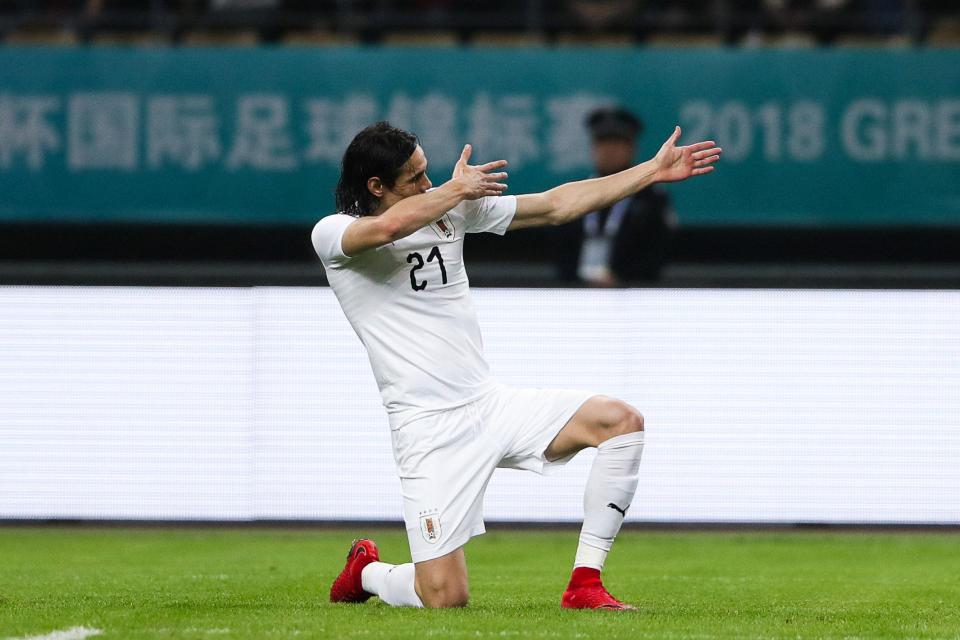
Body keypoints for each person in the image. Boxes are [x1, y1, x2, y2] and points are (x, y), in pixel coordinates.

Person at [313, 121, 720, 610]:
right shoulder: (334, 234)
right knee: (444, 598)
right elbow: (388, 228)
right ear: (376, 187)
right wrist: (454, 191)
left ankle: (585, 585)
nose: (428, 184)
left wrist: (649, 172)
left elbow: (556, 205)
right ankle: (369, 572)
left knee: (620, 422)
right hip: (426, 429)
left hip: (489, 405)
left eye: (428, 173)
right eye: (414, 179)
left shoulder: (452, 208)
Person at [556, 106, 677, 286]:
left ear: (632, 148)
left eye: (617, 143)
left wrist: (621, 279)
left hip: (633, 294)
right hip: (575, 292)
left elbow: (658, 252)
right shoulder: (577, 191)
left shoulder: (651, 197)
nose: (609, 150)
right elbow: (560, 247)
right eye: (603, 142)